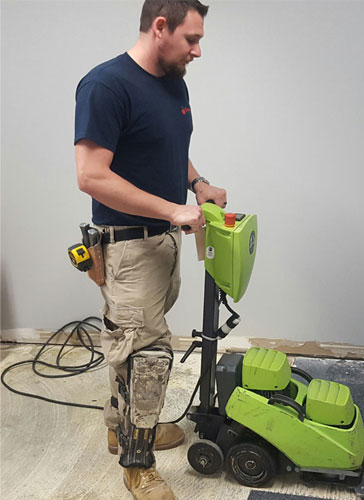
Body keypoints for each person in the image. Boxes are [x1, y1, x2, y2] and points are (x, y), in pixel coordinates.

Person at [74, 1, 225, 498]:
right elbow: (91, 177)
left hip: (162, 243)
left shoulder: (171, 80)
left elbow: (169, 145)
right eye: (191, 39)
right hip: (127, 248)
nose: (198, 51)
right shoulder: (105, 86)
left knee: (132, 342)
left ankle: (124, 428)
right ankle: (138, 465)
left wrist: (197, 183)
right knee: (147, 356)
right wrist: (171, 209)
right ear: (160, 27)